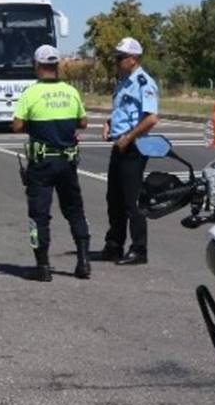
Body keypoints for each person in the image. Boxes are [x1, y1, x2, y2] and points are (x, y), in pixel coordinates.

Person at [11, 44, 90, 282]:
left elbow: (16, 125)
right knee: (75, 210)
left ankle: (43, 267)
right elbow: (83, 122)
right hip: (67, 162)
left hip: (42, 164)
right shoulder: (70, 91)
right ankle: (83, 262)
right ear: (57, 66)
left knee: (39, 215)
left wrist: (34, 125)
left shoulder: (31, 93)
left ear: (37, 65)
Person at [100, 37, 160, 265]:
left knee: (132, 200)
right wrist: (108, 123)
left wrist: (128, 137)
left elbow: (151, 118)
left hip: (134, 146)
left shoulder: (144, 82)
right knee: (113, 198)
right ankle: (114, 245)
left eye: (121, 57)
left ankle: (139, 249)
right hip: (120, 144)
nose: (117, 61)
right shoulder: (124, 82)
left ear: (134, 59)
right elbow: (122, 112)